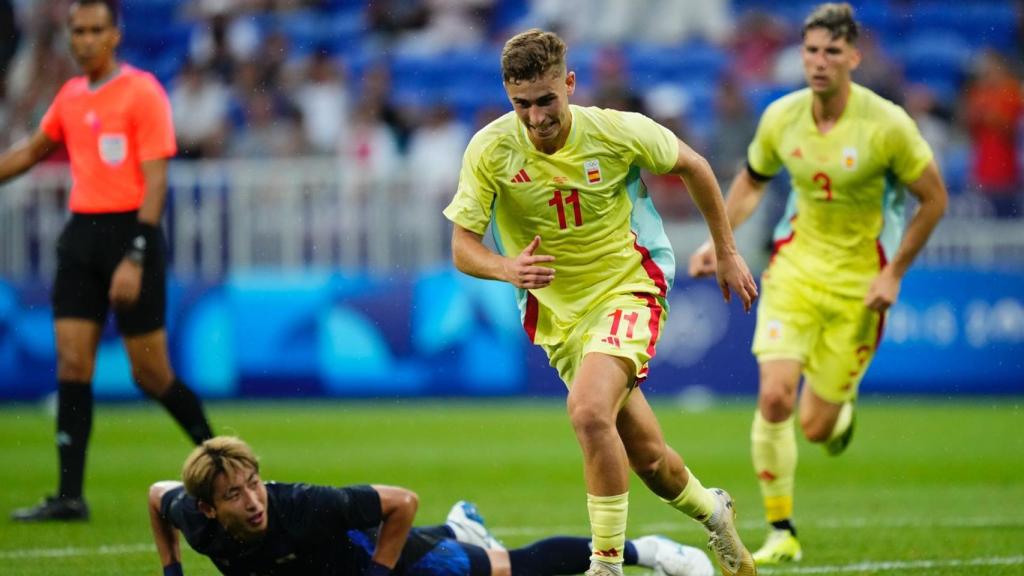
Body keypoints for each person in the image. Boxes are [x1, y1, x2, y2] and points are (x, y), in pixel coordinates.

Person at [443, 29, 759, 576]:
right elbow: (462, 247)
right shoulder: (490, 150)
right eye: (522, 104)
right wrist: (506, 268)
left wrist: (727, 251)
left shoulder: (614, 131)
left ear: (569, 84)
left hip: (628, 284)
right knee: (651, 460)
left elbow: (696, 167)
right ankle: (714, 512)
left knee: (589, 413)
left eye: (546, 101)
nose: (537, 117)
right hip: (556, 314)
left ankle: (605, 567)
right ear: (507, 96)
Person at [688, 3, 948, 566]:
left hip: (861, 287)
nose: (819, 61)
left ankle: (840, 414)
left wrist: (893, 272)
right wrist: (722, 242)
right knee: (776, 395)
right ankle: (781, 529)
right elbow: (752, 181)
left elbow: (935, 199)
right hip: (795, 270)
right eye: (811, 50)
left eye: (832, 51)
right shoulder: (782, 116)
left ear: (854, 57)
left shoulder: (887, 126)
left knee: (816, 425)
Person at [0, 0, 215, 522]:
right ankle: (70, 495)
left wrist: (136, 254)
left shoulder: (143, 92)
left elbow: (156, 181)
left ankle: (224, 463)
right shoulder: (70, 96)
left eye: (96, 30)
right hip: (80, 238)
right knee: (73, 365)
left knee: (151, 374)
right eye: (78, 31)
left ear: (116, 35)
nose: (85, 40)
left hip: (129, 234)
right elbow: (30, 151)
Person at [149, 436, 717, 576]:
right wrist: (172, 569)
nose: (253, 501)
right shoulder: (190, 520)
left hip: (379, 553)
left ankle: (655, 552)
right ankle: (459, 526)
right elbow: (155, 496)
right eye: (233, 494)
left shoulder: (302, 506)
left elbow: (401, 502)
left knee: (507, 569)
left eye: (254, 483)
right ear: (204, 509)